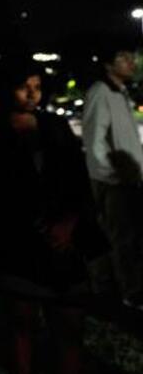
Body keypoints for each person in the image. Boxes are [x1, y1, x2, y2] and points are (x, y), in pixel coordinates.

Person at [0, 59, 104, 374]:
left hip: (63, 240)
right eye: (23, 86)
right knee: (22, 322)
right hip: (17, 241)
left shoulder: (56, 126)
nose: (32, 93)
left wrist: (70, 223)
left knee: (71, 325)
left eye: (37, 86)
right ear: (4, 89)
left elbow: (77, 178)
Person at [82, 43, 143, 310]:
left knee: (128, 239)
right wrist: (114, 177)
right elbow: (95, 143)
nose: (132, 62)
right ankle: (128, 293)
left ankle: (125, 290)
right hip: (115, 183)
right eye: (123, 57)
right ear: (108, 64)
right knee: (122, 240)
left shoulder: (120, 93)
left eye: (132, 57)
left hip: (128, 180)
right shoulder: (101, 92)